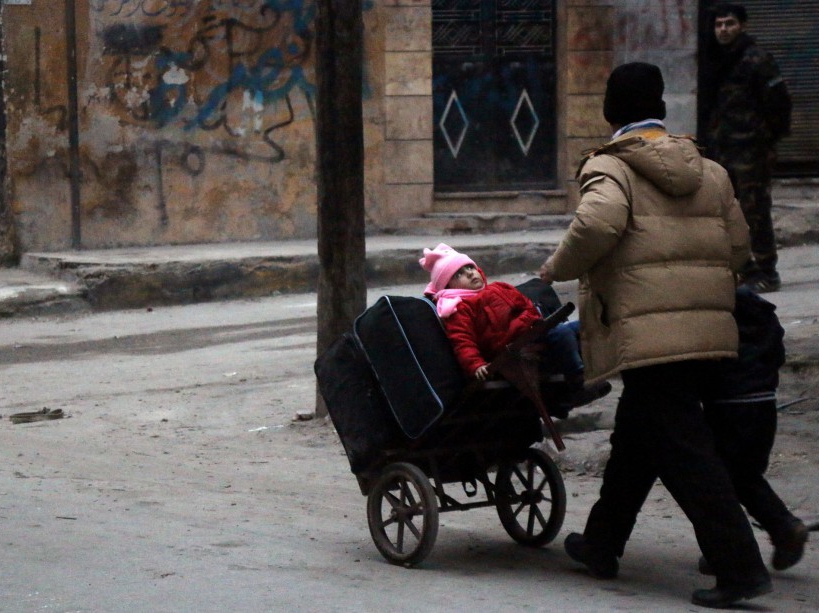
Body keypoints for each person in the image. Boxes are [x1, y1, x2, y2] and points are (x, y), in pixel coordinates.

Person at [539, 62, 771, 608]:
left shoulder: (611, 169)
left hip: (649, 336)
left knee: (686, 452)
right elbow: (739, 248)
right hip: (708, 327)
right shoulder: (711, 171)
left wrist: (555, 270)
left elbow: (596, 226)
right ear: (661, 109)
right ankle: (601, 544)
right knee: (639, 437)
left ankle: (740, 569)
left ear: (609, 111)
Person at [419, 243, 608, 415]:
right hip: (511, 349)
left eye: (469, 267)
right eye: (458, 274)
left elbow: (527, 307)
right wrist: (475, 364)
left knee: (582, 327)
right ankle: (577, 383)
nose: (469, 273)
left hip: (532, 333)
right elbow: (462, 341)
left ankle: (596, 370)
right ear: (447, 286)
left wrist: (527, 321)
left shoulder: (499, 288)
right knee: (562, 332)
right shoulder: (458, 308)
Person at [700, 287, 809, 575]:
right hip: (763, 402)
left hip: (730, 404)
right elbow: (778, 353)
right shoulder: (759, 311)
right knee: (745, 476)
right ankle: (776, 531)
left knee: (726, 478)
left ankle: (778, 529)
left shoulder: (713, 308)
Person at [700, 3, 792, 293]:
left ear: (742, 26)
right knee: (723, 210)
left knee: (755, 210)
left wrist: (767, 141)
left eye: (729, 23)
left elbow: (778, 104)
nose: (723, 30)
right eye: (718, 25)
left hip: (751, 151)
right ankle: (744, 269)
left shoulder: (756, 59)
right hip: (721, 150)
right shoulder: (713, 60)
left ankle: (766, 271)